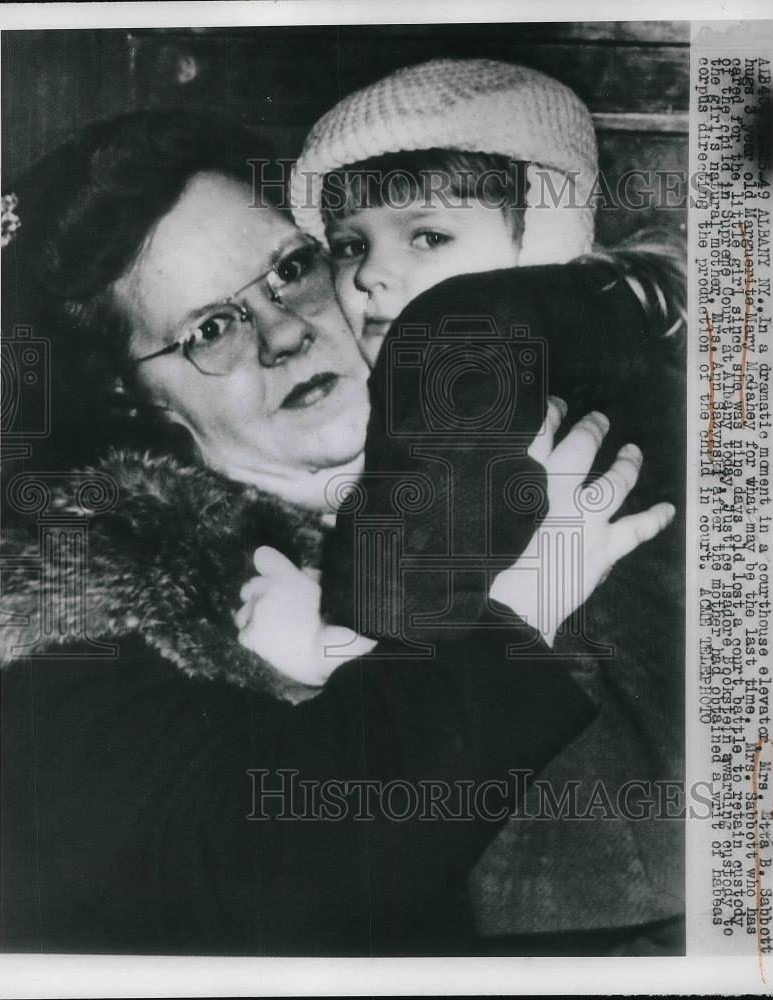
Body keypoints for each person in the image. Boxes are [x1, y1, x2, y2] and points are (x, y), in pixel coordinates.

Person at [0, 108, 660, 956]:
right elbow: (258, 883)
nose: (282, 334)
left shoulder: (543, 421)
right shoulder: (83, 616)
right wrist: (514, 620)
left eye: (290, 270)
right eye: (208, 331)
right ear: (136, 401)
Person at [281, 59, 686, 952]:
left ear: (545, 232)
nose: (369, 278)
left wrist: (318, 642)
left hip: (576, 874)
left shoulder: (482, 331)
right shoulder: (601, 347)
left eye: (425, 236)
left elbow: (400, 603)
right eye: (349, 244)